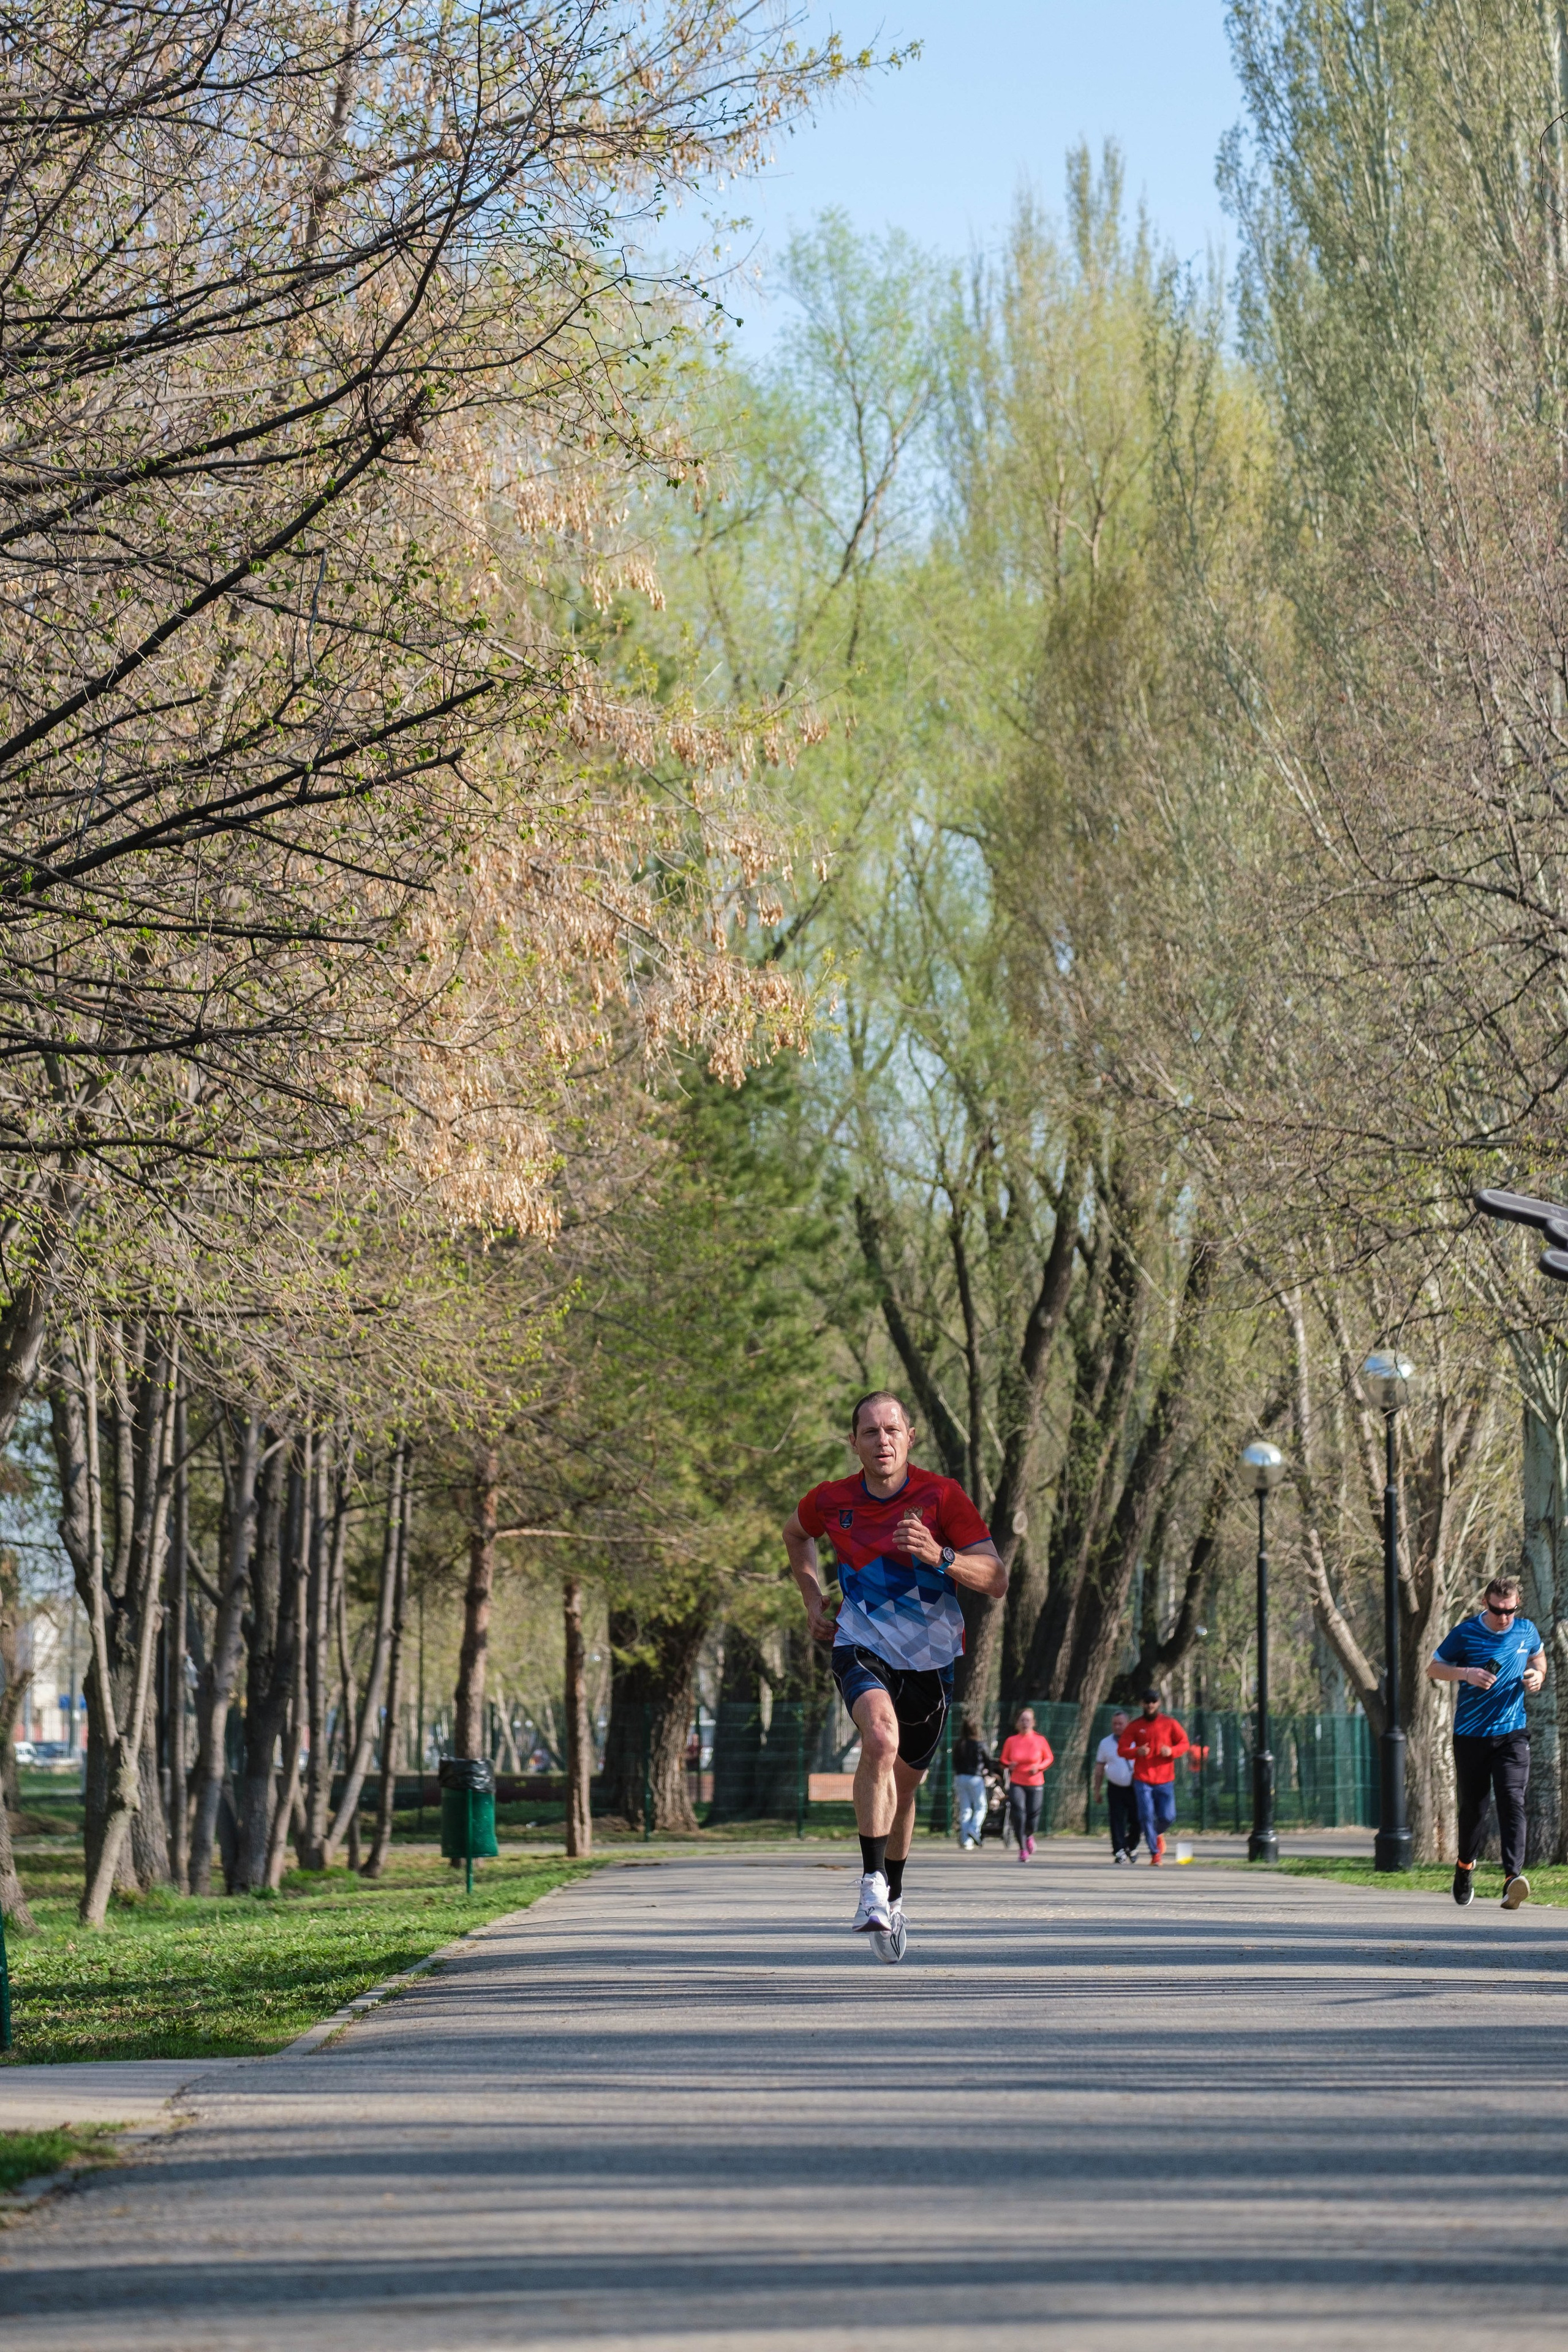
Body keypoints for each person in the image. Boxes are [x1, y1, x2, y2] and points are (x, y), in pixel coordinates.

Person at [783, 1390, 1006, 1961]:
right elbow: (796, 1533)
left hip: (930, 1661)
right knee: (879, 1739)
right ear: (853, 1443)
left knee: (904, 1791)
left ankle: (894, 1894)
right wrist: (812, 1598)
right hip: (861, 1642)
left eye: (891, 1430)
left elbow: (997, 1579)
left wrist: (941, 1556)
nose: (881, 1441)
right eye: (869, 1432)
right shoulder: (832, 1501)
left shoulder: (942, 1497)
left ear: (910, 1437)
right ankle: (870, 1886)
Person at [1427, 1574, 1547, 1910]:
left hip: (1512, 1732)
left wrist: (1537, 1675)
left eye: (1511, 1610)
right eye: (1498, 1610)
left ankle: (1513, 1880)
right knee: (1474, 1810)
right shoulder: (1465, 1633)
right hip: (1471, 1735)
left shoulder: (1527, 1631)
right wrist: (1466, 1674)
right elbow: (1434, 1669)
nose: (1504, 1618)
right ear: (1486, 1603)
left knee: (1512, 1799)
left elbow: (1539, 1659)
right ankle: (1465, 1867)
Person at [1118, 1688, 1190, 1865]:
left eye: (1153, 1701)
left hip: (1165, 1779)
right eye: (1147, 1702)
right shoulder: (1135, 1726)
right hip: (1143, 1779)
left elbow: (1185, 1743)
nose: (1150, 1705)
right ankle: (1155, 1854)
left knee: (1168, 1817)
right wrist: (1137, 1751)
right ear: (1142, 1704)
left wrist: (1171, 1751)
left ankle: (1158, 1833)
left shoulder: (1170, 1723)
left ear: (1158, 1703)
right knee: (1147, 1816)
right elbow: (1122, 1749)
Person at [998, 1707, 1054, 1862]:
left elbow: (1049, 1758)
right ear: (1017, 1723)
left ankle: (1029, 1835)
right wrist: (1010, 1764)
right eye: (1022, 1720)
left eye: (1028, 1720)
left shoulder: (1040, 1740)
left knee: (1033, 1816)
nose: (1025, 1723)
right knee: (1019, 1814)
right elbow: (1003, 1761)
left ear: (1033, 1722)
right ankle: (1022, 1849)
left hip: (1036, 1782)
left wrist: (1039, 1767)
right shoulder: (1011, 1741)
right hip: (1017, 1783)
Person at [1092, 1709, 1138, 1863]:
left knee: (1138, 1820)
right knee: (1116, 1819)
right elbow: (1099, 1769)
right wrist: (1097, 1791)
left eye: (1121, 1723)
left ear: (1128, 1724)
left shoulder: (1137, 1741)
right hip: (1115, 1787)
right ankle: (1119, 1850)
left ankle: (1131, 1845)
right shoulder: (1105, 1743)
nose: (1117, 1727)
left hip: (1136, 1787)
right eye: (1114, 1724)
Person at [952, 1716, 991, 1852]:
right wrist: (990, 1774)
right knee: (981, 1806)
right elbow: (988, 1761)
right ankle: (974, 1829)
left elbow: (955, 1762)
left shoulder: (959, 1744)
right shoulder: (979, 1744)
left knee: (965, 1808)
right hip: (975, 1777)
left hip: (960, 1778)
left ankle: (965, 1841)